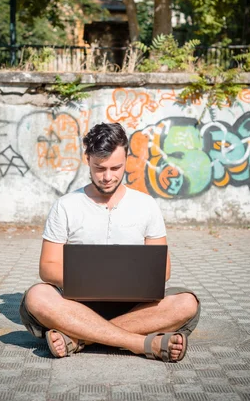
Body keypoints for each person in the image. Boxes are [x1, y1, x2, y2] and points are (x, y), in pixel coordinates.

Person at [20, 122, 200, 362]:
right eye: (99, 168)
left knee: (187, 303)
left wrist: (122, 280)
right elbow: (47, 267)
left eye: (116, 168)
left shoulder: (146, 205)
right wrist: (93, 279)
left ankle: (79, 338)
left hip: (134, 307)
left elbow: (163, 270)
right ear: (87, 160)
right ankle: (141, 343)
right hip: (76, 305)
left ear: (126, 157)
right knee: (37, 297)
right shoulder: (66, 206)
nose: (107, 177)